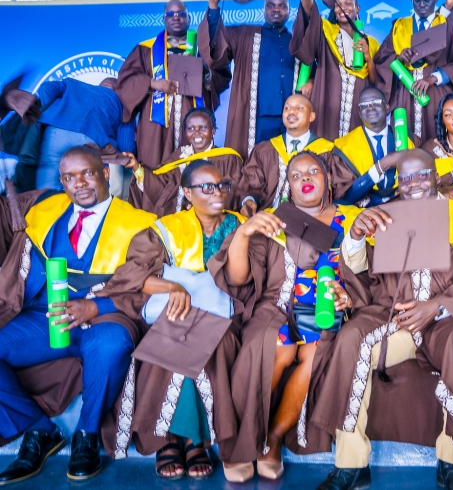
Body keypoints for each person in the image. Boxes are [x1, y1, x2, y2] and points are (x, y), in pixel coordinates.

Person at [312, 149, 453, 490]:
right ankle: (351, 465)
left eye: (421, 175)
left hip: (446, 320)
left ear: (436, 175)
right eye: (405, 178)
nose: (413, 184)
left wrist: (436, 305)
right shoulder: (384, 217)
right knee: (352, 338)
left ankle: (452, 461)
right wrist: (354, 236)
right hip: (392, 316)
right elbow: (363, 274)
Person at [0, 146, 155, 484]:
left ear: (104, 174)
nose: (79, 183)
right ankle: (40, 431)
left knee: (111, 343)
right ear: (61, 182)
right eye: (69, 177)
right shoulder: (45, 210)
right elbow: (8, 203)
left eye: (87, 173)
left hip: (104, 317)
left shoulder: (137, 223)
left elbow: (148, 286)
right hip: (46, 317)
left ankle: (87, 436)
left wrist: (94, 307)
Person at [211, 151, 357, 483]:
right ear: (288, 185)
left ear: (328, 179)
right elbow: (237, 277)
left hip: (325, 308)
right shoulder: (274, 220)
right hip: (275, 304)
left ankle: (274, 439)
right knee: (276, 344)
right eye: (296, 175)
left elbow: (367, 274)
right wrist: (245, 233)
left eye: (313, 171)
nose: (305, 178)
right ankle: (241, 442)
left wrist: (348, 297)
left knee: (317, 350)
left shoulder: (350, 220)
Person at [99, 160, 242, 479]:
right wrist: (172, 286)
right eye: (206, 187)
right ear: (187, 194)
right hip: (174, 311)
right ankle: (168, 440)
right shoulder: (166, 228)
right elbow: (134, 276)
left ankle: (192, 440)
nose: (217, 192)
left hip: (221, 315)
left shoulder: (240, 226)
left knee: (208, 345)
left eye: (221, 185)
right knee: (167, 343)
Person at [117, 0, 228, 168]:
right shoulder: (146, 49)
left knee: (192, 168)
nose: (176, 18)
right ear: (164, 19)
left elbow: (221, 76)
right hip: (155, 123)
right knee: (154, 166)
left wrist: (203, 71)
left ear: (189, 19)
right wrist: (152, 83)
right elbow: (125, 81)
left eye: (181, 14)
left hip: (192, 120)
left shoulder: (202, 49)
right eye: (171, 14)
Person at [199, 0, 295, 158]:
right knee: (252, 162)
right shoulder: (245, 35)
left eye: (282, 6)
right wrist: (213, 5)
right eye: (271, 5)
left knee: (287, 164)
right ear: (264, 9)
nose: (276, 9)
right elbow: (218, 43)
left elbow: (314, 69)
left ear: (289, 11)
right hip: (256, 117)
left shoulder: (297, 42)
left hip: (291, 117)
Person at [373, 0, 453, 143]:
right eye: (417, 0)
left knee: (438, 142)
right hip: (405, 97)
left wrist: (433, 78)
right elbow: (381, 59)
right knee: (405, 144)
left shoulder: (449, 26)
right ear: (411, 0)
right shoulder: (399, 27)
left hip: (436, 96)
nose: (422, 4)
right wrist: (398, 58)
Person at [291, 0, 380, 140]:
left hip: (356, 105)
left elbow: (375, 83)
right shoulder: (327, 32)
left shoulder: (372, 43)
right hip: (327, 100)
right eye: (338, 5)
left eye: (348, 4)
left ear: (357, 8)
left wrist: (368, 57)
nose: (342, 9)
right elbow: (309, 11)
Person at [6, 78, 130, 192]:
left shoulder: (73, 84)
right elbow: (126, 145)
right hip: (93, 142)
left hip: (57, 132)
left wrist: (54, 109)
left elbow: (46, 88)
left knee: (46, 189)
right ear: (116, 89)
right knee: (89, 190)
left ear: (100, 84)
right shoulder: (121, 104)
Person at [126, 108, 243, 217]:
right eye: (191, 128)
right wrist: (136, 167)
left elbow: (232, 192)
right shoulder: (180, 156)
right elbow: (160, 184)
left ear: (213, 131)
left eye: (202, 128)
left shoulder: (227, 159)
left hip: (210, 220)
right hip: (176, 216)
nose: (196, 132)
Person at [235, 94, 336, 216]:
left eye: (299, 108)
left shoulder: (327, 151)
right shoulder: (265, 150)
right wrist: (249, 200)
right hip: (268, 217)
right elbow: (250, 184)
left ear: (311, 116)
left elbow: (336, 192)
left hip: (310, 220)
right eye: (287, 108)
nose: (291, 112)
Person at [330, 86, 413, 206]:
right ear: (359, 111)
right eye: (364, 105)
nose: (370, 107)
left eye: (376, 102)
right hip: (363, 213)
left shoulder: (408, 139)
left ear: (387, 107)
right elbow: (344, 197)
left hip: (401, 208)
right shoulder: (344, 147)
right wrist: (382, 165)